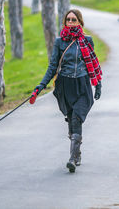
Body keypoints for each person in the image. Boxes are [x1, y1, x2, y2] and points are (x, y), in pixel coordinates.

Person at [33, 9, 102, 173]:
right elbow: (52, 67)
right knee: (72, 122)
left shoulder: (87, 40)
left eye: (74, 20)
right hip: (65, 86)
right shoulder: (59, 42)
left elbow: (93, 62)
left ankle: (72, 159)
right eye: (68, 20)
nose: (70, 22)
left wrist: (98, 84)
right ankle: (76, 152)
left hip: (83, 84)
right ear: (65, 22)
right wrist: (40, 86)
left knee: (77, 118)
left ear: (80, 22)